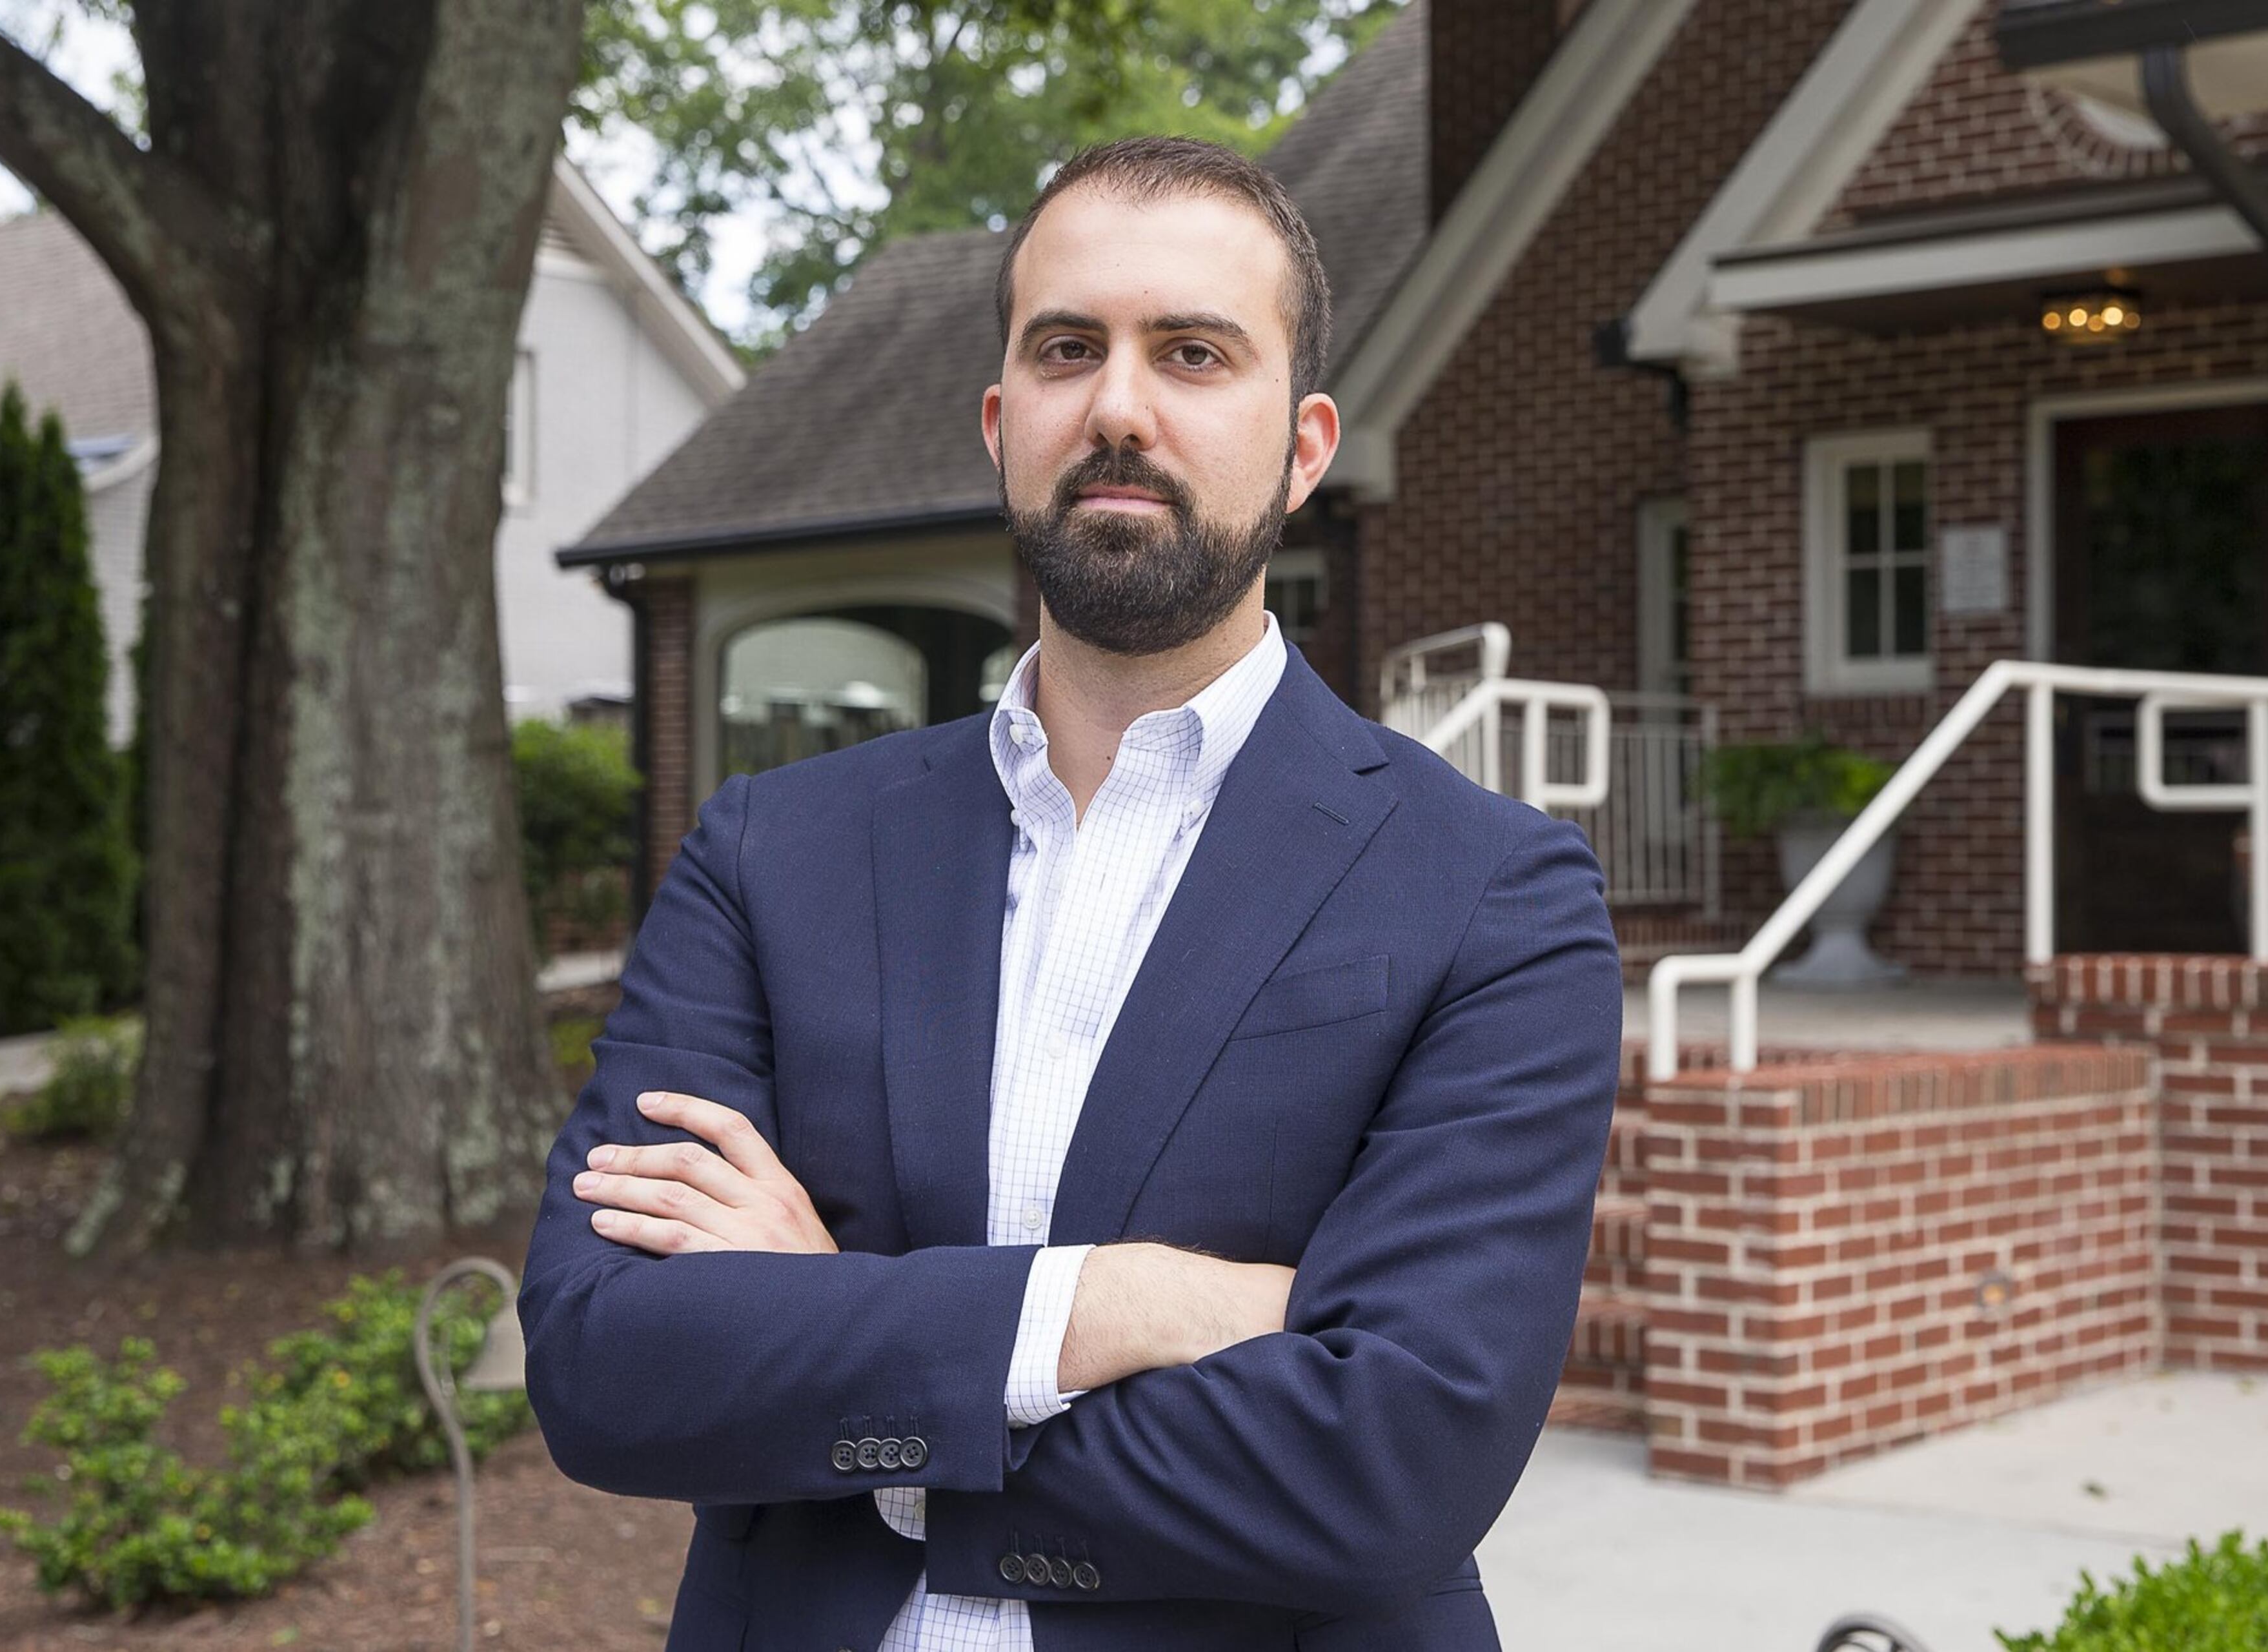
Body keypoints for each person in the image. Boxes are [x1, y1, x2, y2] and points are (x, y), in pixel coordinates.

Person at [517, 134, 1624, 1652]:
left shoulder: (1494, 895)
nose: (1117, 404)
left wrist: (842, 1344)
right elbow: (603, 1360)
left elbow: (1395, 1466)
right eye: (1066, 349)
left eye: (1192, 352)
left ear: (1304, 446)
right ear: (1000, 421)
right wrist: (1120, 1305)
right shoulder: (772, 853)